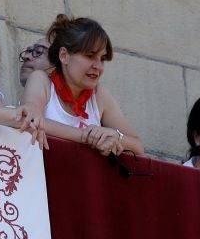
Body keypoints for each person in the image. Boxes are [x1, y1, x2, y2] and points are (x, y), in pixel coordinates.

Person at [21, 14, 143, 156]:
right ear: (64, 56)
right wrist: (88, 136)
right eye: (90, 56)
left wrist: (115, 136)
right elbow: (28, 119)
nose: (98, 66)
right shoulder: (41, 80)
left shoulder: (99, 95)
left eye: (102, 59)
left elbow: (138, 147)